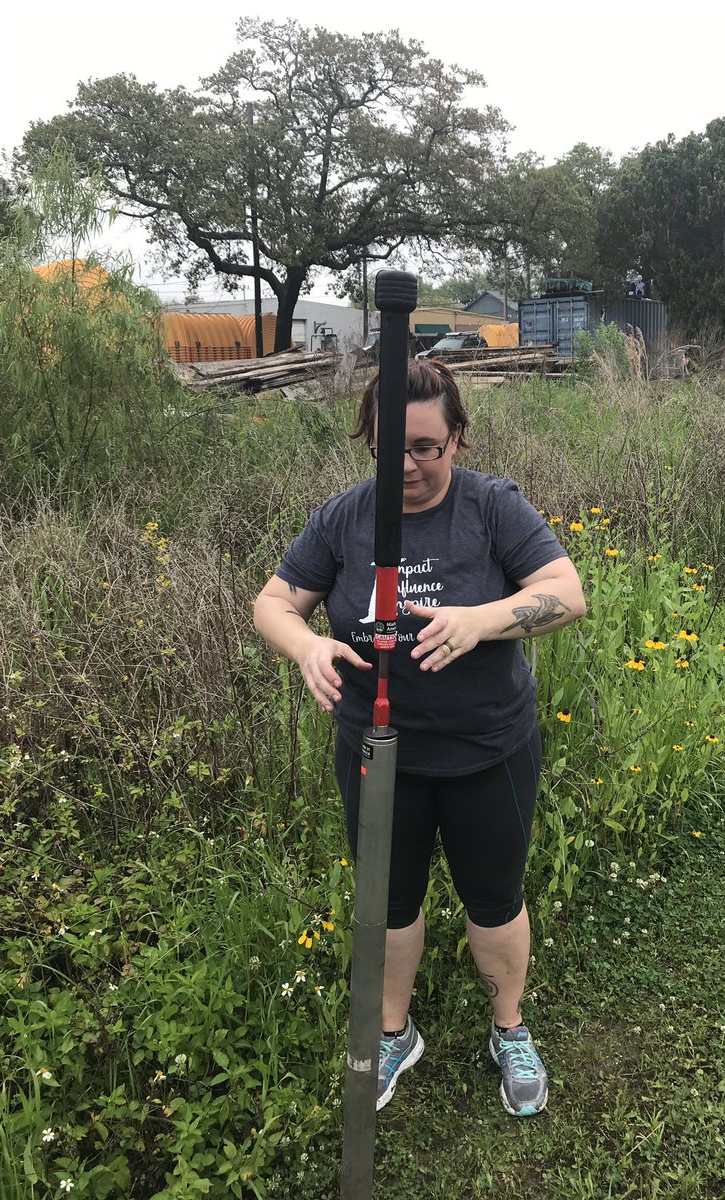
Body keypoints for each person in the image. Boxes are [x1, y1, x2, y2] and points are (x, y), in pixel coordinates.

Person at [253, 359, 585, 1118]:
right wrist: (304, 645)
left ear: (458, 439)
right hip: (377, 753)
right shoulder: (343, 517)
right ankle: (394, 1032)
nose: (407, 465)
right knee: (387, 904)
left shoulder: (492, 507)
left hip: (487, 749)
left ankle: (509, 1028)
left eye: (426, 448)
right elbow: (273, 602)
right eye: (388, 445)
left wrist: (483, 619)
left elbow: (567, 595)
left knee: (494, 901)